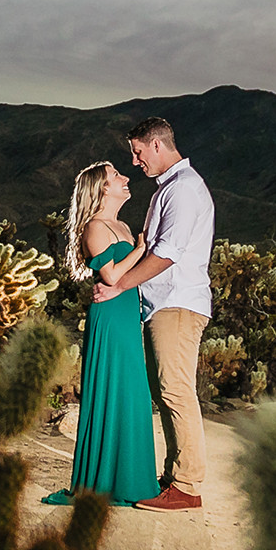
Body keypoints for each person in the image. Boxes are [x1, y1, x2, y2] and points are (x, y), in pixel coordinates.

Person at [93, 116, 214, 511]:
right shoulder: (172, 189)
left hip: (176, 303)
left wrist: (119, 286)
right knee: (167, 390)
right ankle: (175, 476)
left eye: (138, 151)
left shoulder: (182, 190)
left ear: (157, 146)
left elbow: (166, 254)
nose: (134, 161)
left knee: (176, 389)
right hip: (163, 304)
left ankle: (187, 485)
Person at [42, 162, 156, 507]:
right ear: (102, 189)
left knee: (133, 392)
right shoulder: (95, 227)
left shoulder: (120, 224)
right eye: (116, 176)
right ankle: (106, 481)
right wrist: (139, 250)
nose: (125, 178)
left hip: (126, 314)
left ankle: (131, 479)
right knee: (114, 389)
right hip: (110, 317)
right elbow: (109, 276)